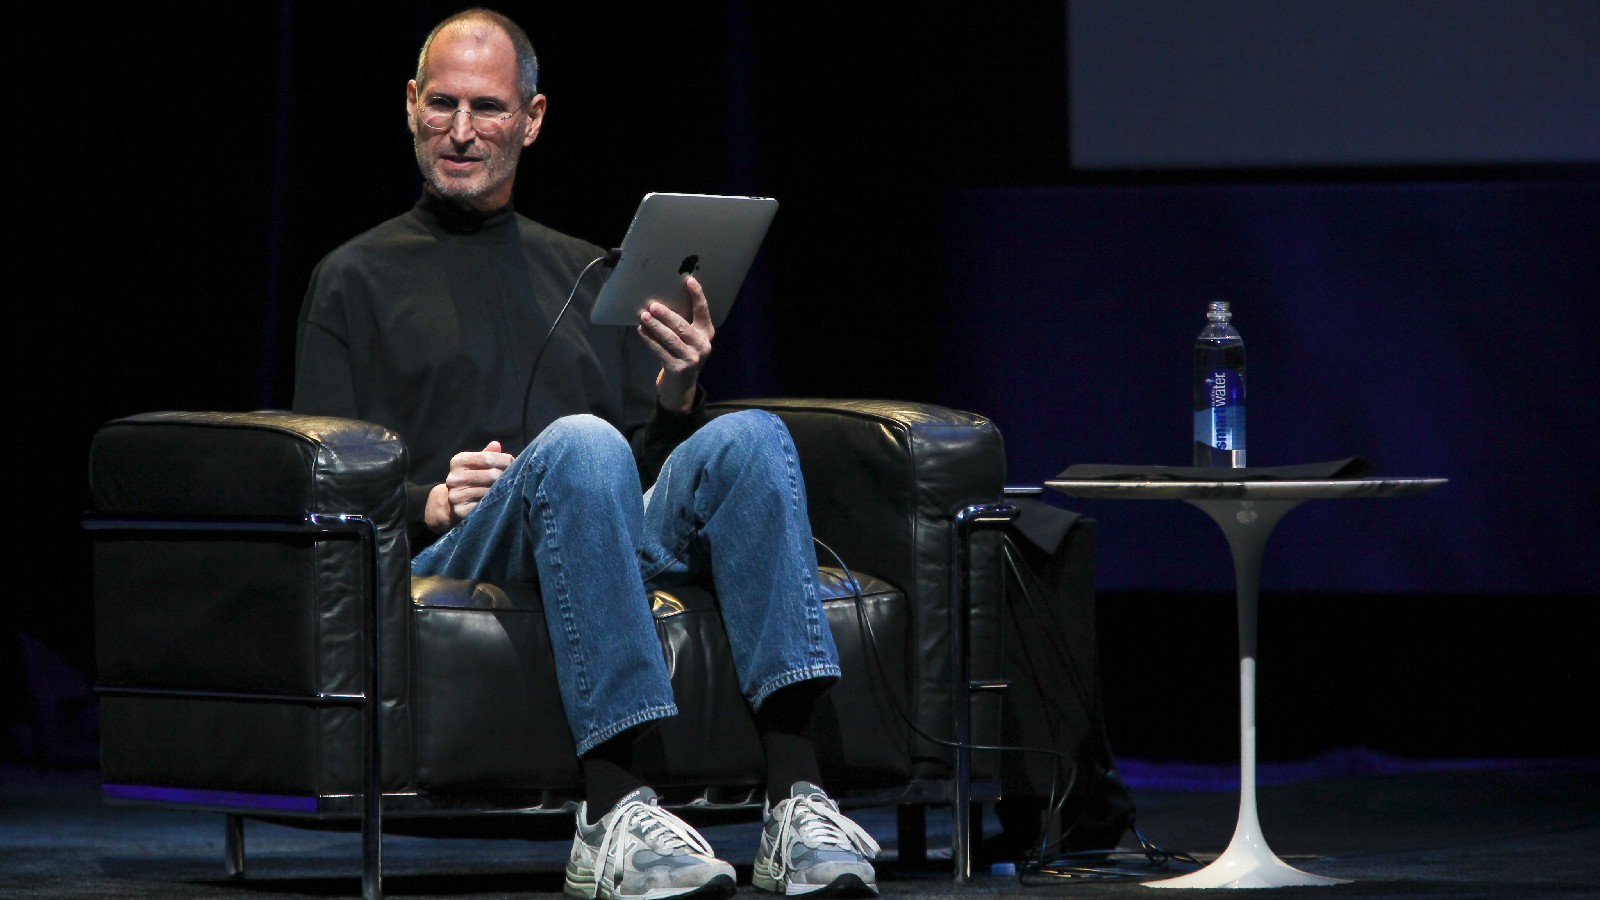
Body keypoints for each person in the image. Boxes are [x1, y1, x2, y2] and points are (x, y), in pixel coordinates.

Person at [291, 8, 879, 899]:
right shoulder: (351, 278)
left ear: (531, 119)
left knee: (750, 436)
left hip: (600, 513)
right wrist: (426, 502)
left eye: (486, 108)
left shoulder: (588, 272)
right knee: (578, 443)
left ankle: (795, 804)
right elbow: (318, 474)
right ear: (409, 105)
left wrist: (677, 392)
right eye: (440, 104)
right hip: (455, 547)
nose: (459, 131)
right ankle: (613, 810)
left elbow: (647, 465)